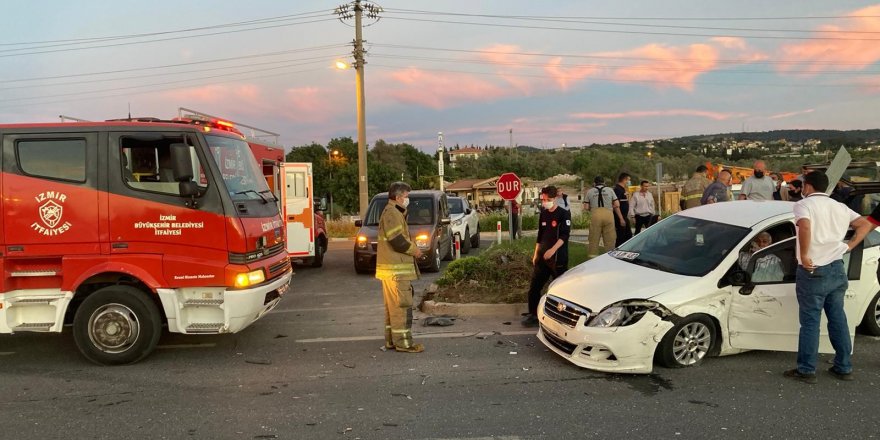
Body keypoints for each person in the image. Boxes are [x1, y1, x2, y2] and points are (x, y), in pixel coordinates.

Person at [784, 171, 874, 384]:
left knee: (810, 322)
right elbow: (864, 224)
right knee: (837, 318)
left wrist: (805, 255)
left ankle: (806, 369)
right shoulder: (840, 207)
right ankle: (843, 366)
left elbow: (804, 226)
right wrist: (849, 246)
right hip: (836, 268)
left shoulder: (803, 206)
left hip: (813, 269)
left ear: (807, 187)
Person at [375, 182, 425, 353]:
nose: (408, 199)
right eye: (406, 196)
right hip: (396, 272)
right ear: (398, 197)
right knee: (401, 308)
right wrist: (415, 250)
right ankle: (403, 343)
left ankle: (392, 341)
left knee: (393, 308)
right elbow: (397, 241)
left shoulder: (393, 212)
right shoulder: (393, 213)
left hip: (392, 271)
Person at [522, 186, 571, 327]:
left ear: (555, 198)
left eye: (548, 200)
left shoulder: (563, 214)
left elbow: (564, 236)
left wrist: (553, 250)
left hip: (557, 258)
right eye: (543, 200)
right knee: (534, 287)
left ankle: (561, 317)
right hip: (542, 257)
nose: (545, 202)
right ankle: (533, 314)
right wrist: (536, 253)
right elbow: (540, 235)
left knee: (560, 290)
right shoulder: (543, 213)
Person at [584, 176, 623, 257]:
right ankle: (610, 256)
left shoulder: (590, 191)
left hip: (595, 214)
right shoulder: (610, 190)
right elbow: (617, 204)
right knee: (610, 238)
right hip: (608, 214)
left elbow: (586, 207)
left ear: (594, 183)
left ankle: (592, 257)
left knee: (593, 238)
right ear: (604, 182)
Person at [614, 173, 633, 247]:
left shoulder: (622, 189)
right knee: (621, 236)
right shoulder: (617, 189)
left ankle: (625, 249)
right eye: (629, 180)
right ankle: (618, 250)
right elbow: (615, 205)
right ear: (624, 180)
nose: (629, 182)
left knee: (628, 235)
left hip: (624, 217)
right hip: (620, 217)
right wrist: (621, 218)